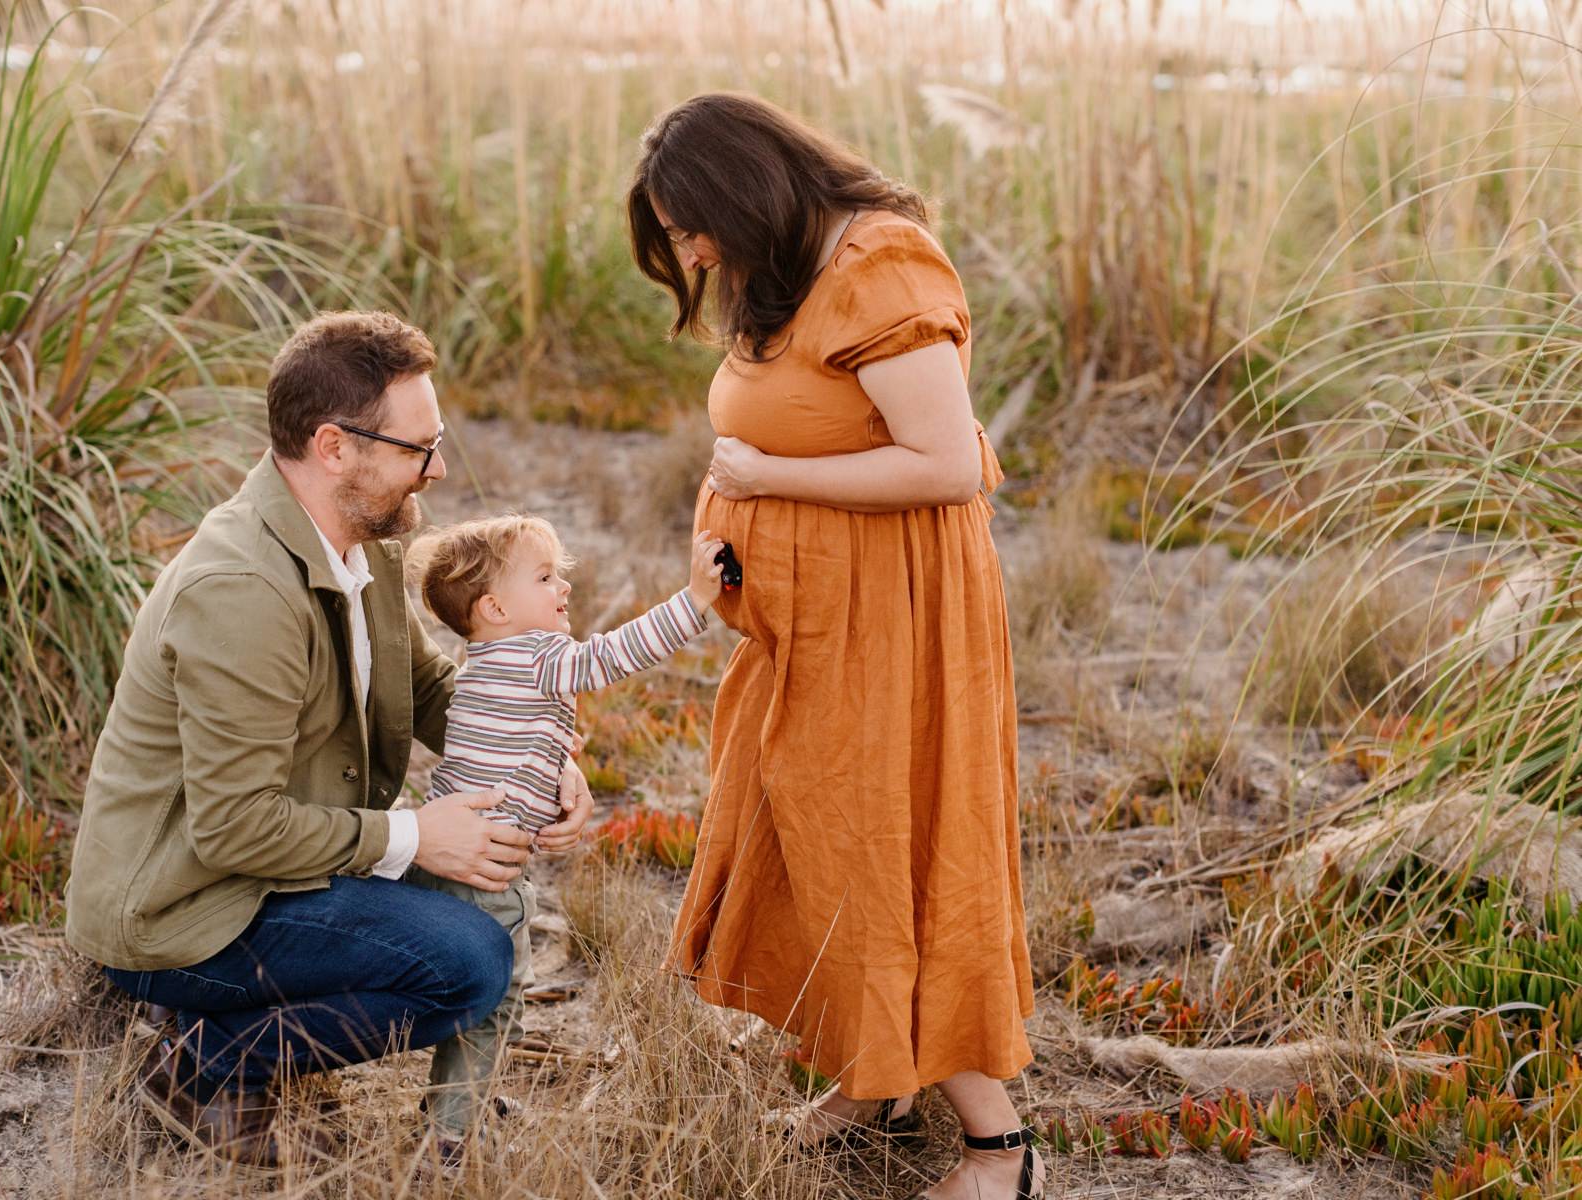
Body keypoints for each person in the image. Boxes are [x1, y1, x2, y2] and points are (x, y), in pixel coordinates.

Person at [627, 93, 1043, 1200]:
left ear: (743, 190)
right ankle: (875, 1078)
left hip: (893, 622)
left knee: (883, 850)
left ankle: (999, 1147)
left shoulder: (880, 268)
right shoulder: (788, 275)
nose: (692, 252)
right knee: (806, 835)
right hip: (806, 626)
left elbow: (948, 464)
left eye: (691, 226)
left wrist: (767, 483)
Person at [63, 310, 594, 1167]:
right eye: (418, 448)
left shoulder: (367, 543)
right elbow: (232, 828)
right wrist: (421, 835)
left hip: (274, 867)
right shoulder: (241, 588)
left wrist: (544, 757)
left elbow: (427, 689)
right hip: (181, 910)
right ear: (334, 447)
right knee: (471, 963)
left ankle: (229, 1030)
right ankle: (200, 1062)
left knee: (473, 927)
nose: (440, 466)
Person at [402, 514, 725, 1152]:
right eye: (547, 577)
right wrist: (696, 600)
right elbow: (611, 656)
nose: (565, 589)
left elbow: (512, 749)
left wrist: (552, 781)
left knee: (483, 992)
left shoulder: (487, 658)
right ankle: (449, 1133)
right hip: (485, 870)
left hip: (447, 854)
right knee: (496, 996)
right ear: (494, 607)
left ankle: (465, 1092)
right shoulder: (535, 655)